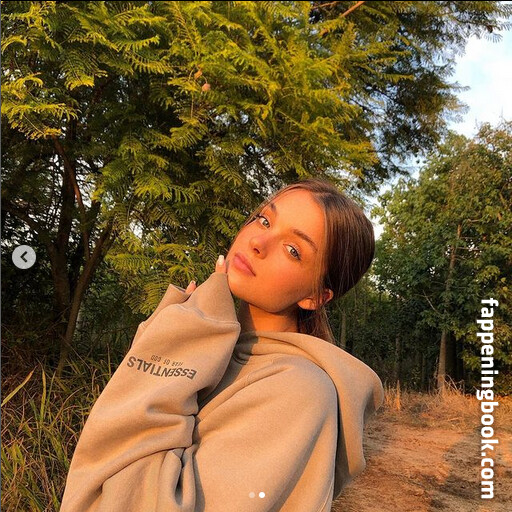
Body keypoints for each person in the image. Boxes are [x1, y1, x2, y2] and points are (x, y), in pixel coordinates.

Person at [60, 178, 384, 512]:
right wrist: (179, 337)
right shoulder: (215, 344)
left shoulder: (299, 391)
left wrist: (177, 343)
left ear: (315, 296)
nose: (258, 242)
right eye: (264, 220)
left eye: (293, 250)